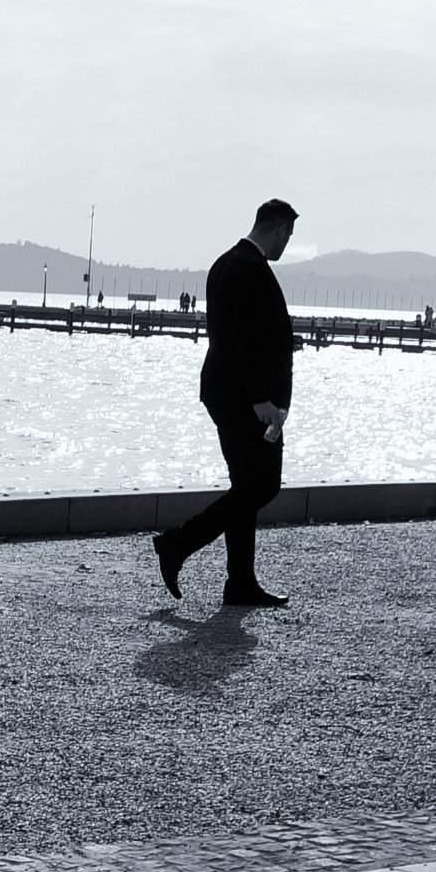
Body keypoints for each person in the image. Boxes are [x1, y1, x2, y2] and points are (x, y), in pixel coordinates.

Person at [153, 199, 300, 607]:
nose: (286, 245)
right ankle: (178, 544)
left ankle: (240, 582)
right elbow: (247, 340)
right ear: (279, 229)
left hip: (223, 392)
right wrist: (261, 399)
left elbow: (230, 334)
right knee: (263, 485)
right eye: (288, 236)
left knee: (246, 487)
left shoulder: (223, 263)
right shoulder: (251, 268)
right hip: (245, 398)